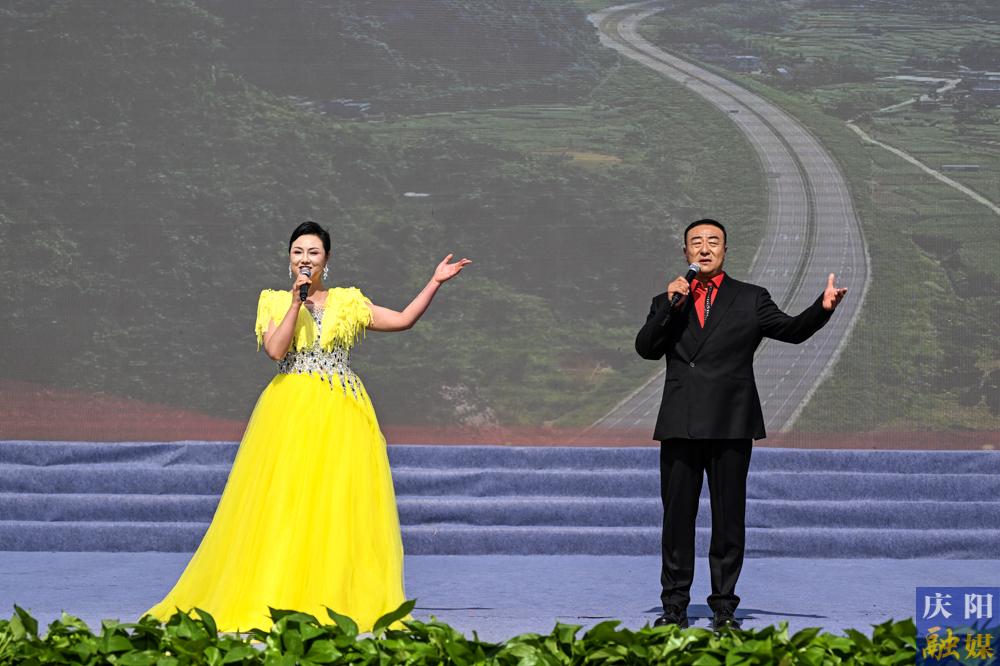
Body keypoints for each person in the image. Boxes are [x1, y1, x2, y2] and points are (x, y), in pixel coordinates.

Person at [146, 221, 471, 632]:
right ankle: (277, 593)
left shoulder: (348, 301)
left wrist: (435, 282)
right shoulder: (273, 301)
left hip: (342, 412)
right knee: (286, 501)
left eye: (313, 252)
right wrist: (295, 303)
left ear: (326, 259)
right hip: (290, 412)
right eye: (298, 252)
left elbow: (403, 319)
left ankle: (333, 597)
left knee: (336, 504)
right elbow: (275, 349)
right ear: (289, 258)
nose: (305, 259)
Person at [634, 218, 846, 631]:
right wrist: (669, 307)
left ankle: (724, 608)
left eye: (713, 241)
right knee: (677, 520)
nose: (705, 248)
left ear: (726, 250)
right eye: (696, 242)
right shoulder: (668, 298)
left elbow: (791, 330)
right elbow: (646, 348)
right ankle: (674, 607)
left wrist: (821, 309)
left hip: (731, 420)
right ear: (685, 252)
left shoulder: (750, 298)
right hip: (680, 421)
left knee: (728, 519)